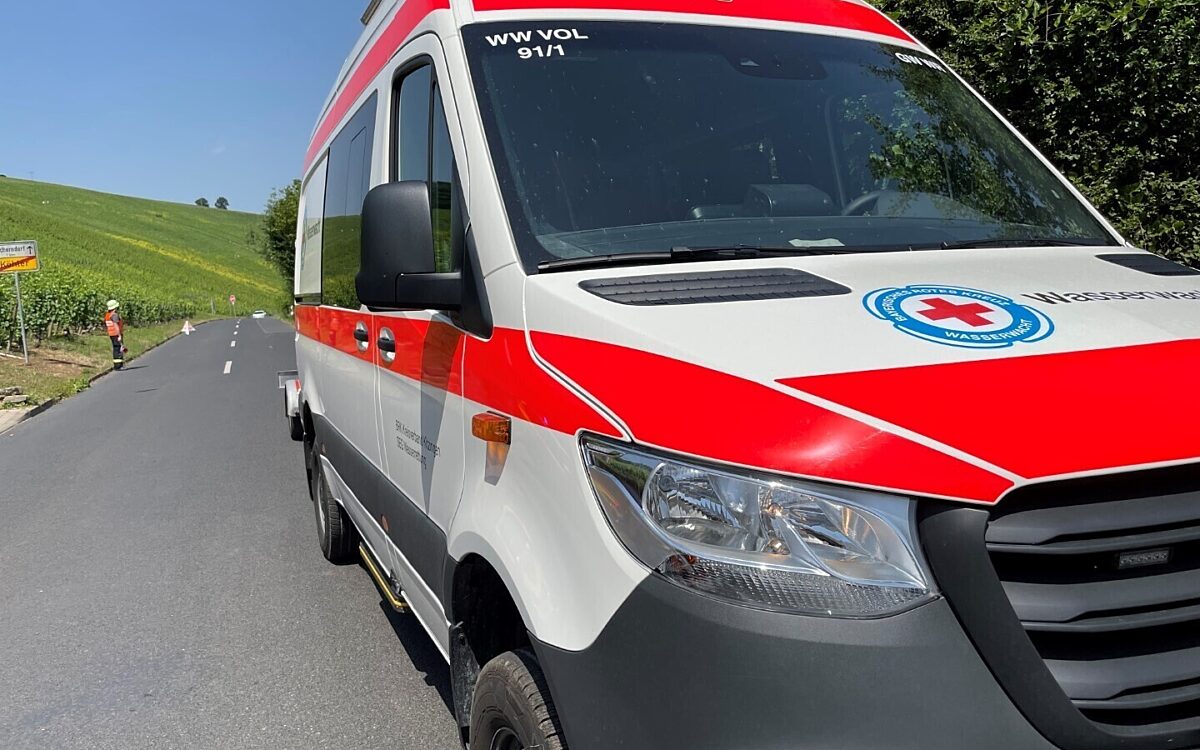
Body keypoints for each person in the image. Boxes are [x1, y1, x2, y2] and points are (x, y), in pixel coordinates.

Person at [104, 300, 127, 370]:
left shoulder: (108, 315)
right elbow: (116, 325)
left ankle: (117, 365)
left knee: (115, 348)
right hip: (116, 334)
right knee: (118, 349)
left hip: (111, 334)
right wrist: (119, 335)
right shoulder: (114, 315)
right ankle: (118, 366)